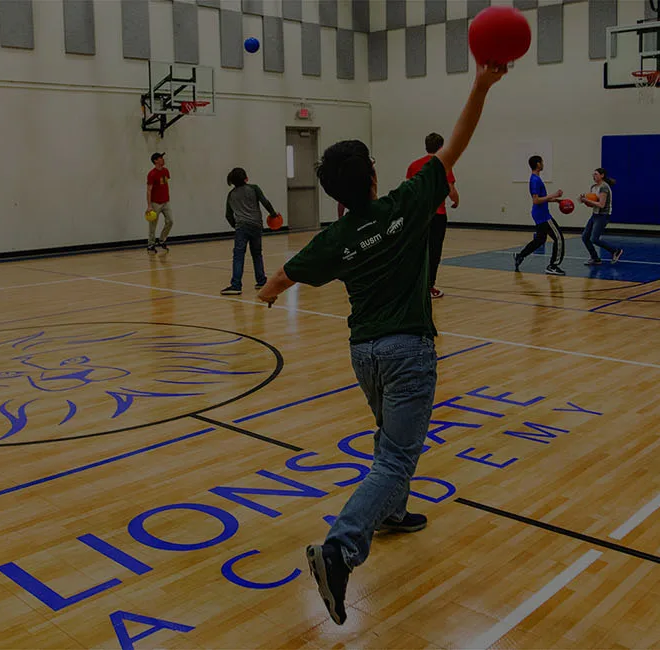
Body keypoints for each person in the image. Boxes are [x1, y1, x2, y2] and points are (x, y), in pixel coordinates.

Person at [256, 63, 506, 626]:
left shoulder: (336, 238)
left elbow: (283, 277)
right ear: (373, 177)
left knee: (387, 440)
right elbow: (456, 144)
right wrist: (481, 84)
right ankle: (340, 551)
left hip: (364, 355)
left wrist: (266, 294)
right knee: (395, 457)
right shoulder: (407, 204)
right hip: (409, 353)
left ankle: (391, 512)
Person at [406, 133, 460, 298]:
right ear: (441, 147)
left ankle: (413, 285)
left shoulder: (414, 165)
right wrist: (456, 201)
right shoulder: (443, 165)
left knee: (418, 250)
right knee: (434, 251)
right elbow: (450, 189)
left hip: (418, 215)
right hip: (437, 214)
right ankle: (429, 287)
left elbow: (409, 189)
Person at [220, 167, 279, 295]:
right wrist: (273, 214)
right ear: (245, 178)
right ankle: (261, 281)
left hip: (241, 227)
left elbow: (228, 215)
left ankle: (236, 285)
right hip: (256, 226)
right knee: (257, 254)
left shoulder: (231, 195)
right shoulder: (254, 188)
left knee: (238, 256)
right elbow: (265, 202)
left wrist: (235, 226)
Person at [513, 155, 565, 276]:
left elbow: (542, 198)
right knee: (559, 239)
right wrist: (554, 194)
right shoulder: (535, 180)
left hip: (539, 214)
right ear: (538, 164)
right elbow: (536, 200)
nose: (543, 164)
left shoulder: (536, 179)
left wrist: (555, 200)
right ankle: (553, 266)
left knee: (540, 240)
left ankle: (520, 256)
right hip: (543, 215)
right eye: (542, 162)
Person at [578, 167, 622, 265]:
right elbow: (592, 203)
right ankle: (595, 258)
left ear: (602, 175)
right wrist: (584, 201)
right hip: (595, 214)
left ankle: (615, 250)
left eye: (596, 174)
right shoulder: (593, 187)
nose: (594, 176)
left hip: (603, 215)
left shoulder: (604, 187)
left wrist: (587, 200)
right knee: (585, 237)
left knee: (594, 239)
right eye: (593, 175)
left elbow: (601, 205)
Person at [146, 153, 173, 252]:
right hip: (155, 203)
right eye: (160, 158)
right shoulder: (152, 174)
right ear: (155, 161)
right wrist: (149, 206)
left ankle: (162, 240)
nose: (163, 159)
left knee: (170, 221)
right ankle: (151, 244)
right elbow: (149, 190)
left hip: (166, 201)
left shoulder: (166, 171)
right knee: (153, 225)